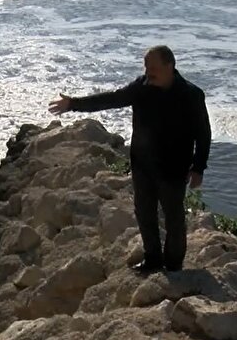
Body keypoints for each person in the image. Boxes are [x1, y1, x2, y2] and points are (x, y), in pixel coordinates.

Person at [48, 45, 211, 273]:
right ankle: (152, 259)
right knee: (144, 214)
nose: (148, 72)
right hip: (143, 165)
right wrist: (73, 104)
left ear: (170, 66)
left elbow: (203, 134)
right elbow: (112, 99)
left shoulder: (191, 95)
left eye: (153, 67)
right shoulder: (141, 87)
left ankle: (174, 266)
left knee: (174, 219)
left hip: (173, 168)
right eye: (146, 66)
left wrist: (198, 167)